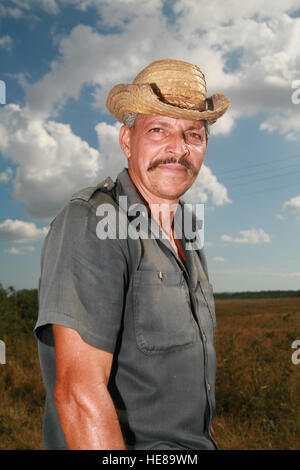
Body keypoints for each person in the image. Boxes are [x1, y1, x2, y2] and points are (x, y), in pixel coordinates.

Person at [34, 58, 230, 450]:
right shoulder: (92, 221)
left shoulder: (188, 230)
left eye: (193, 134)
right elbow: (79, 396)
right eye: (159, 130)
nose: (178, 149)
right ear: (127, 141)